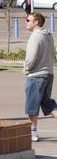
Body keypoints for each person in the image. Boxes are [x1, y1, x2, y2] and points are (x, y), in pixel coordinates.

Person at [24, 12, 57, 141]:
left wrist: (27, 69)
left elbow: (31, 57)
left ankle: (33, 132)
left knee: (32, 106)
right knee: (47, 104)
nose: (26, 22)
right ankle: (33, 131)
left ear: (36, 22)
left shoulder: (35, 36)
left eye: (28, 20)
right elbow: (53, 54)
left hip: (36, 76)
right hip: (48, 74)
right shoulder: (49, 36)